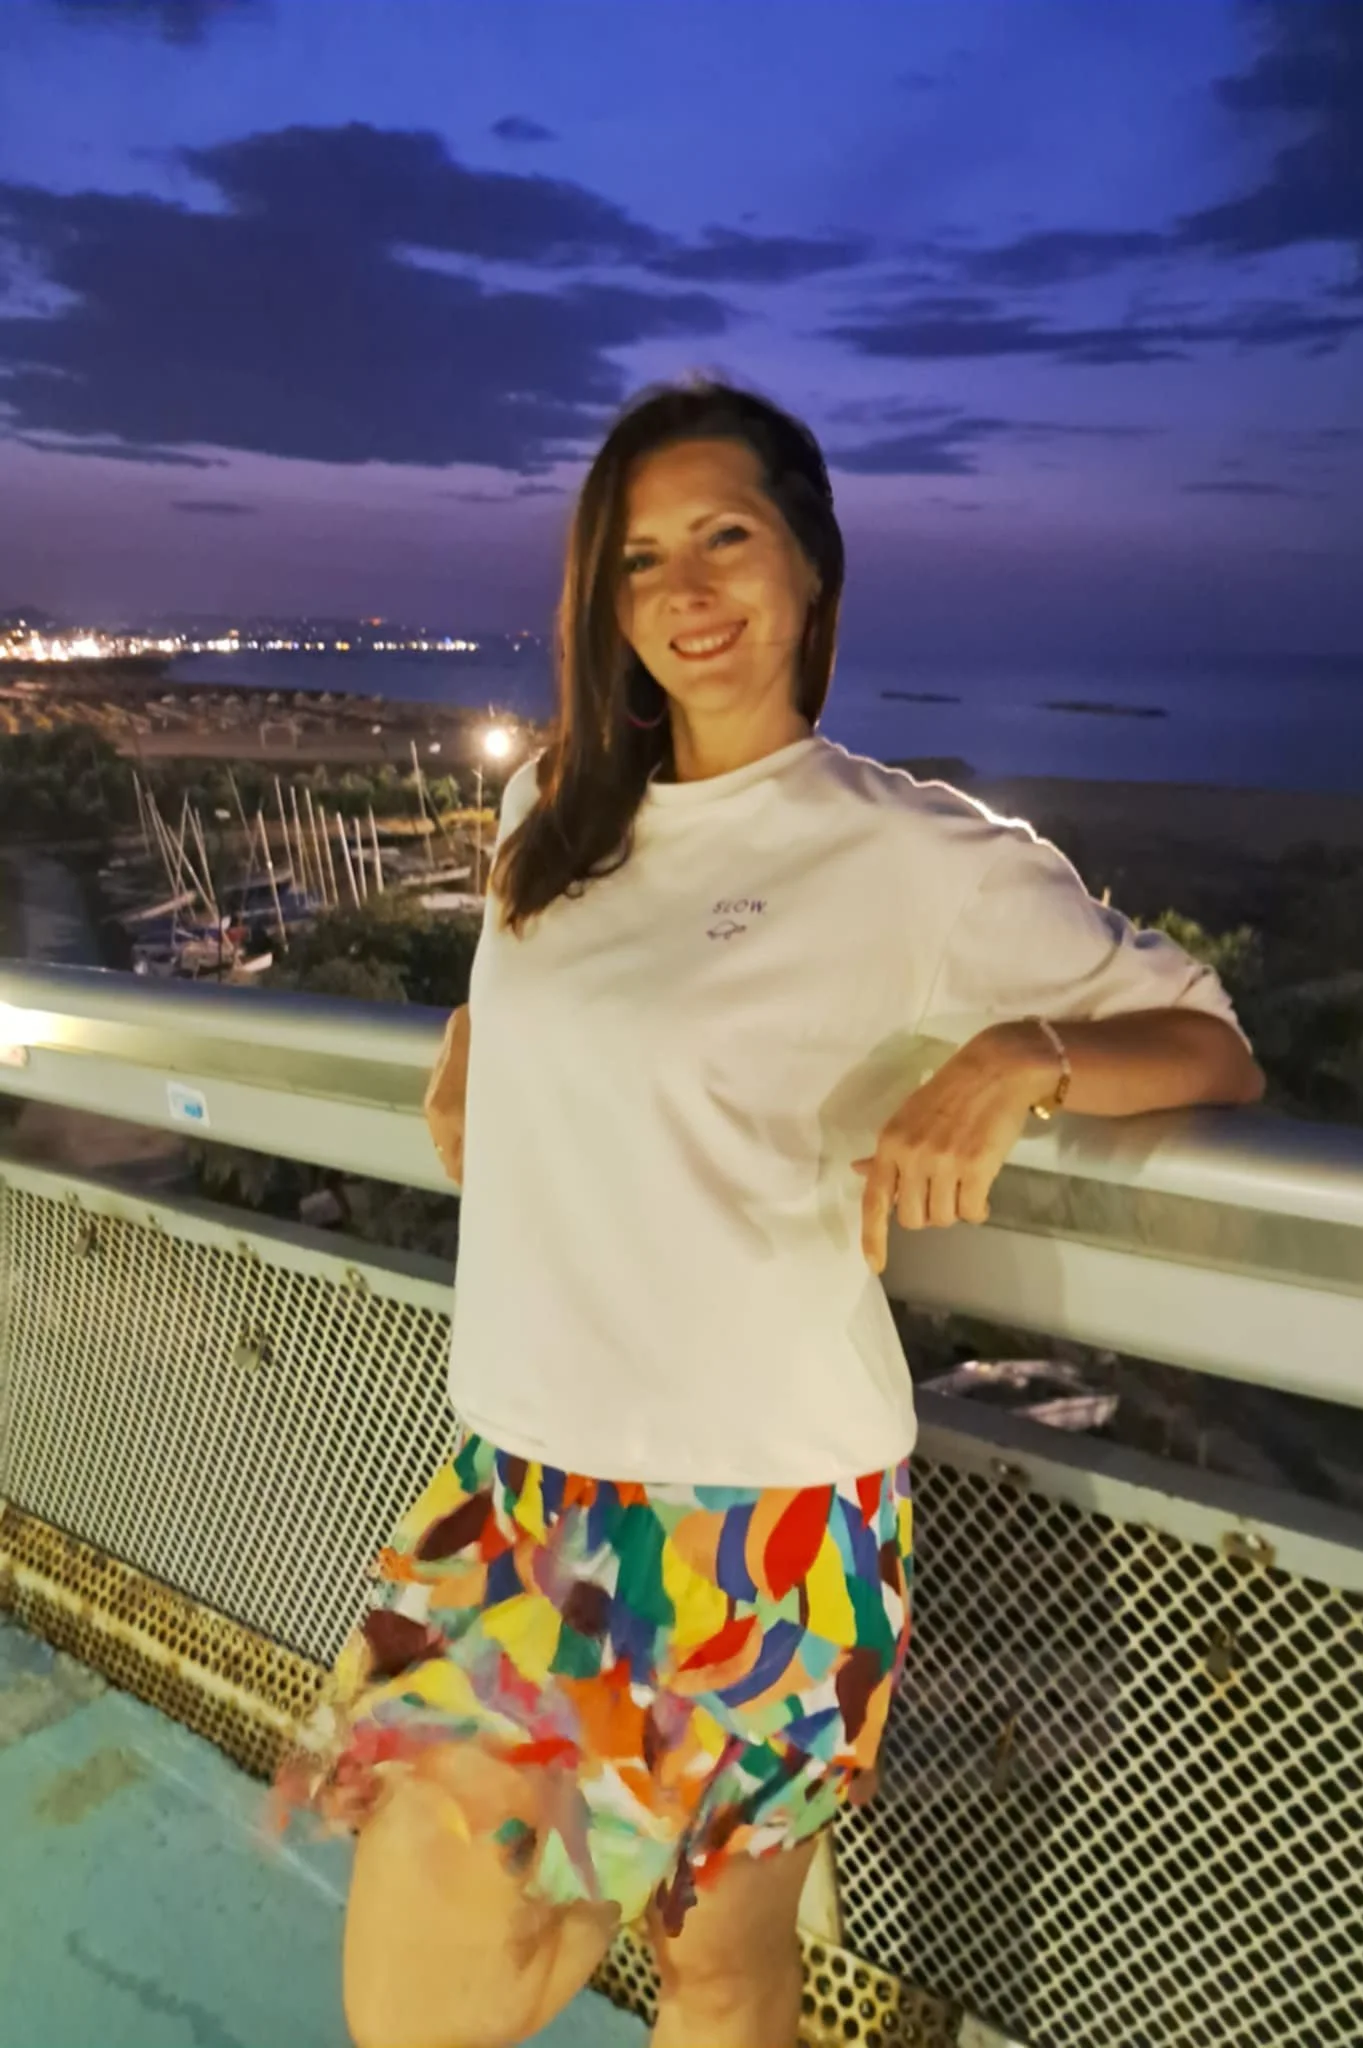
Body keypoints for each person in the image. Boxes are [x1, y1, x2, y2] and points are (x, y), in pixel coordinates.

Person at [275, 377, 1263, 2048]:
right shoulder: (546, 816)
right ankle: (602, 1848)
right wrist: (483, 1030)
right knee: (421, 1992)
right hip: (526, 1483)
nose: (684, 586)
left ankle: (646, 1873)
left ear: (811, 565)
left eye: (725, 536)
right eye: (640, 555)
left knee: (721, 1969)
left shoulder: (913, 854)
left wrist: (1020, 1056)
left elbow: (1210, 1042)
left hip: (769, 1508)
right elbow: (585, 995)